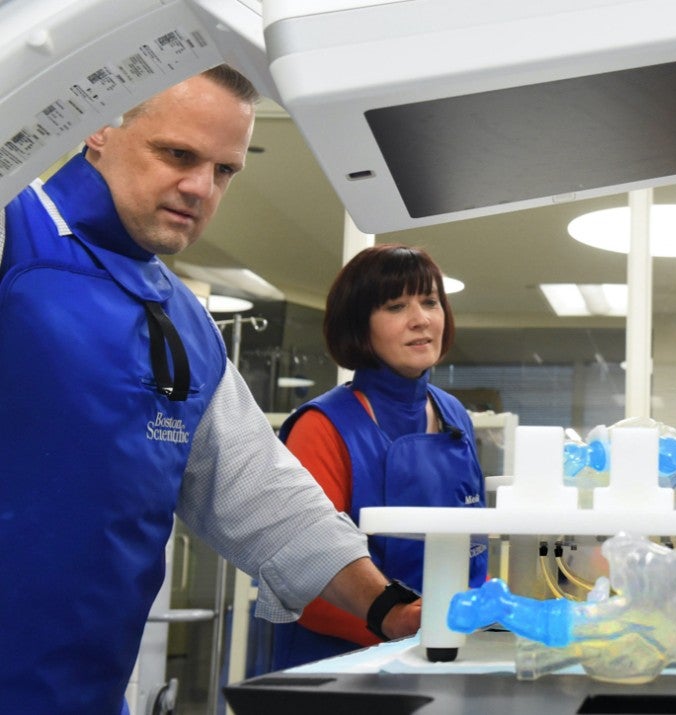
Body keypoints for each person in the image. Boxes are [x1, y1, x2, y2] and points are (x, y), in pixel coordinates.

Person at [0, 66, 421, 714]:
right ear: (97, 128)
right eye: (177, 154)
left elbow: (264, 495)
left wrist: (389, 607)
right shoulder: (16, 234)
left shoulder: (186, 324)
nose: (200, 187)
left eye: (224, 170)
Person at [271, 243, 488, 669]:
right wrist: (399, 618)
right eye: (396, 306)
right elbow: (304, 577)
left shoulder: (454, 417)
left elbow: (470, 551)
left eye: (430, 302)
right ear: (358, 325)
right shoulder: (321, 427)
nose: (421, 319)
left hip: (446, 651)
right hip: (341, 666)